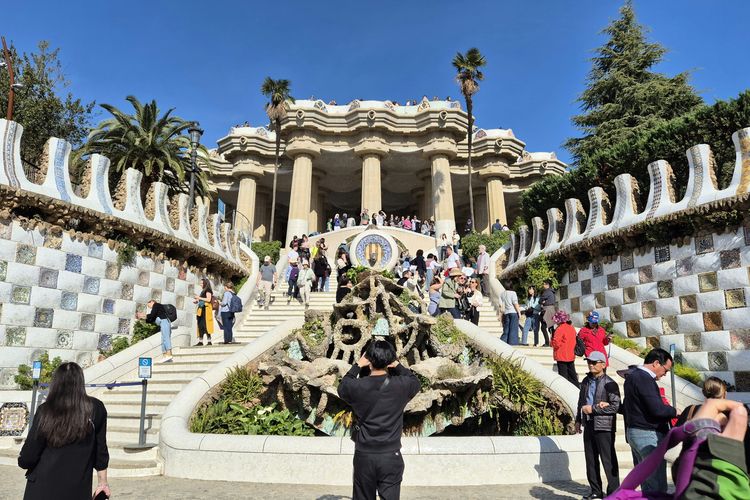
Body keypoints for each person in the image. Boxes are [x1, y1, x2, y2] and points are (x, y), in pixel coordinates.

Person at [337, 340, 420, 500]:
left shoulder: (357, 386)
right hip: (391, 454)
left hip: (364, 455)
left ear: (368, 361)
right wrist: (396, 364)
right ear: (390, 361)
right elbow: (414, 380)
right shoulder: (401, 386)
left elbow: (343, 386)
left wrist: (357, 364)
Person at [18, 362, 110, 500]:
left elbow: (30, 454)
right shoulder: (95, 408)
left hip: (42, 488)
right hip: (77, 488)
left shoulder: (46, 410)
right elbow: (100, 450)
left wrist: (23, 461)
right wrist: (103, 483)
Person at [622, 348, 676, 493]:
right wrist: (674, 411)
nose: (665, 374)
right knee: (656, 484)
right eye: (666, 370)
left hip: (636, 432)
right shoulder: (644, 378)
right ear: (656, 363)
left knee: (647, 482)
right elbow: (657, 409)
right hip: (647, 434)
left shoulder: (633, 377)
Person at [576, 351, 621, 499]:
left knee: (608, 461)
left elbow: (616, 406)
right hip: (588, 424)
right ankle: (595, 491)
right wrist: (578, 419)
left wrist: (594, 409)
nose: (591, 365)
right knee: (591, 459)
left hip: (604, 427)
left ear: (603, 364)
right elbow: (581, 402)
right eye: (589, 362)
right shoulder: (585, 381)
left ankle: (614, 492)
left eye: (594, 362)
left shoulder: (610, 383)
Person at [551, 309, 579, 387]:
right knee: (572, 375)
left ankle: (566, 390)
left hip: (561, 355)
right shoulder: (571, 328)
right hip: (570, 354)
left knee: (563, 376)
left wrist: (551, 341)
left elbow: (556, 343)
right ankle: (577, 389)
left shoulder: (559, 329)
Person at [193, 277, 214, 346]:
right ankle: (200, 341)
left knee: (206, 325)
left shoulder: (208, 290)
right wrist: (197, 301)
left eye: (202, 283)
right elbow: (203, 300)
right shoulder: (203, 291)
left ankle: (209, 341)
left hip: (206, 310)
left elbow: (208, 299)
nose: (200, 284)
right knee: (200, 325)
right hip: (201, 310)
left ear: (205, 283)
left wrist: (199, 298)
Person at [500, 281, 521, 345]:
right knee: (513, 329)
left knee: (506, 328)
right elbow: (515, 303)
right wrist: (519, 313)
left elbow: (501, 305)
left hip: (506, 312)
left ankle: (503, 341)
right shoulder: (513, 293)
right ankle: (512, 343)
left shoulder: (502, 294)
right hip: (513, 312)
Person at [539, 279, 557, 346]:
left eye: (544, 284)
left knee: (543, 327)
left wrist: (542, 302)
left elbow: (540, 300)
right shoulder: (552, 292)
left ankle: (547, 342)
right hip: (552, 309)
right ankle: (553, 342)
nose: (543, 285)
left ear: (547, 285)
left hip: (547, 310)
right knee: (551, 327)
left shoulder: (547, 292)